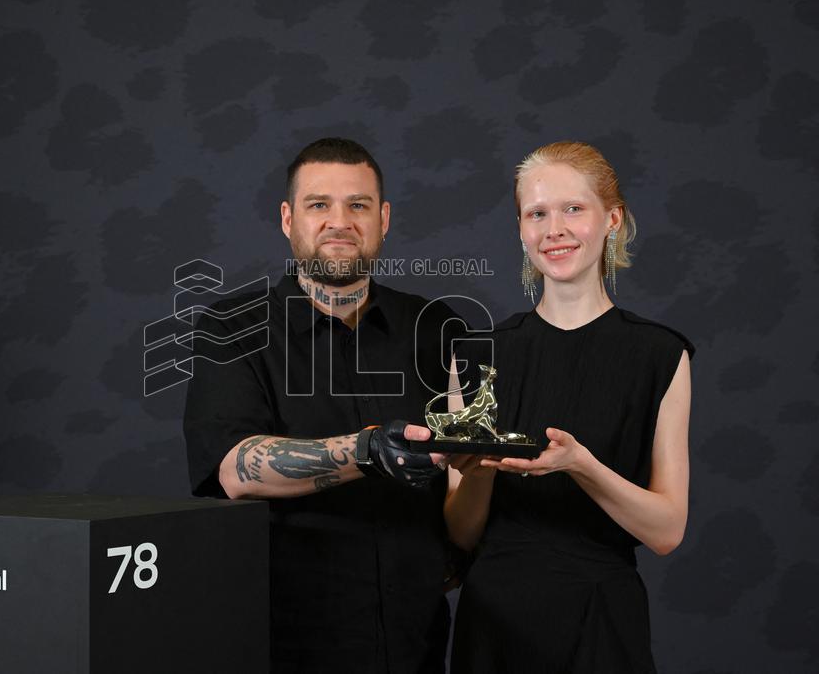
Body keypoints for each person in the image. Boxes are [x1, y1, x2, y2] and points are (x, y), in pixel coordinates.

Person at [184, 137, 465, 674]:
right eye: (319, 205)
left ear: (383, 218)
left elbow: (463, 469)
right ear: (288, 218)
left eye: (358, 205)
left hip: (418, 642)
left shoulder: (436, 328)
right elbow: (235, 467)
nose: (340, 221)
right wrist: (366, 450)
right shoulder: (233, 328)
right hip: (288, 644)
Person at [445, 141, 693, 673]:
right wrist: (483, 470)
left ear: (612, 219)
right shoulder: (475, 355)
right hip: (494, 623)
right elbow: (461, 533)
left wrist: (581, 466)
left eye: (573, 209)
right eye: (537, 213)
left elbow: (667, 531)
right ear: (521, 230)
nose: (553, 228)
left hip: (601, 621)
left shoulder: (660, 355)